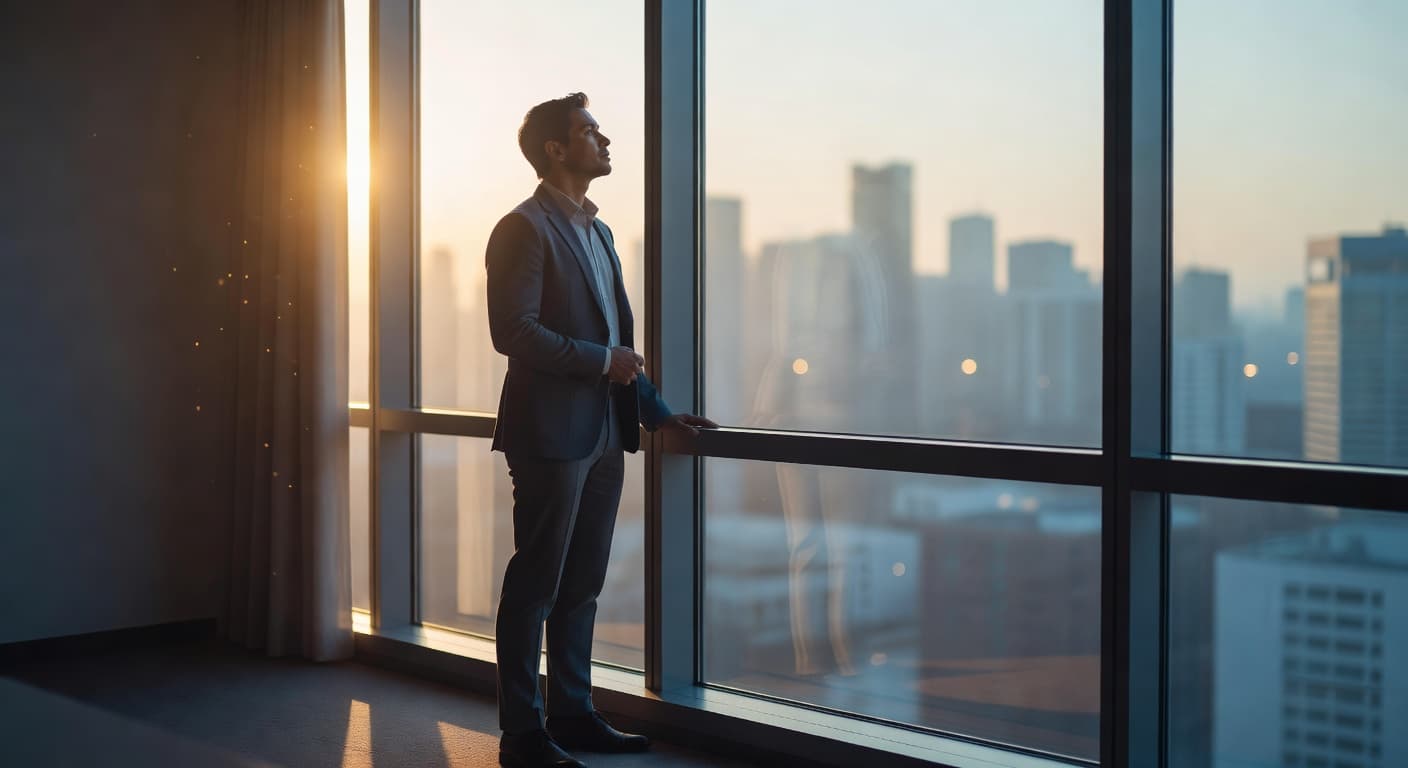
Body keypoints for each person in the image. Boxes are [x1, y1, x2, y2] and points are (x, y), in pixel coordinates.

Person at [485, 92, 716, 768]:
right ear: (556, 149)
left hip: (607, 435)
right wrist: (601, 364)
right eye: (589, 131)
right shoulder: (522, 228)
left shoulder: (600, 232)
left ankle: (573, 713)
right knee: (535, 586)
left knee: (582, 585)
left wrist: (657, 411)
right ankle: (522, 735)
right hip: (550, 434)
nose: (605, 140)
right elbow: (513, 332)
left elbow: (619, 342)